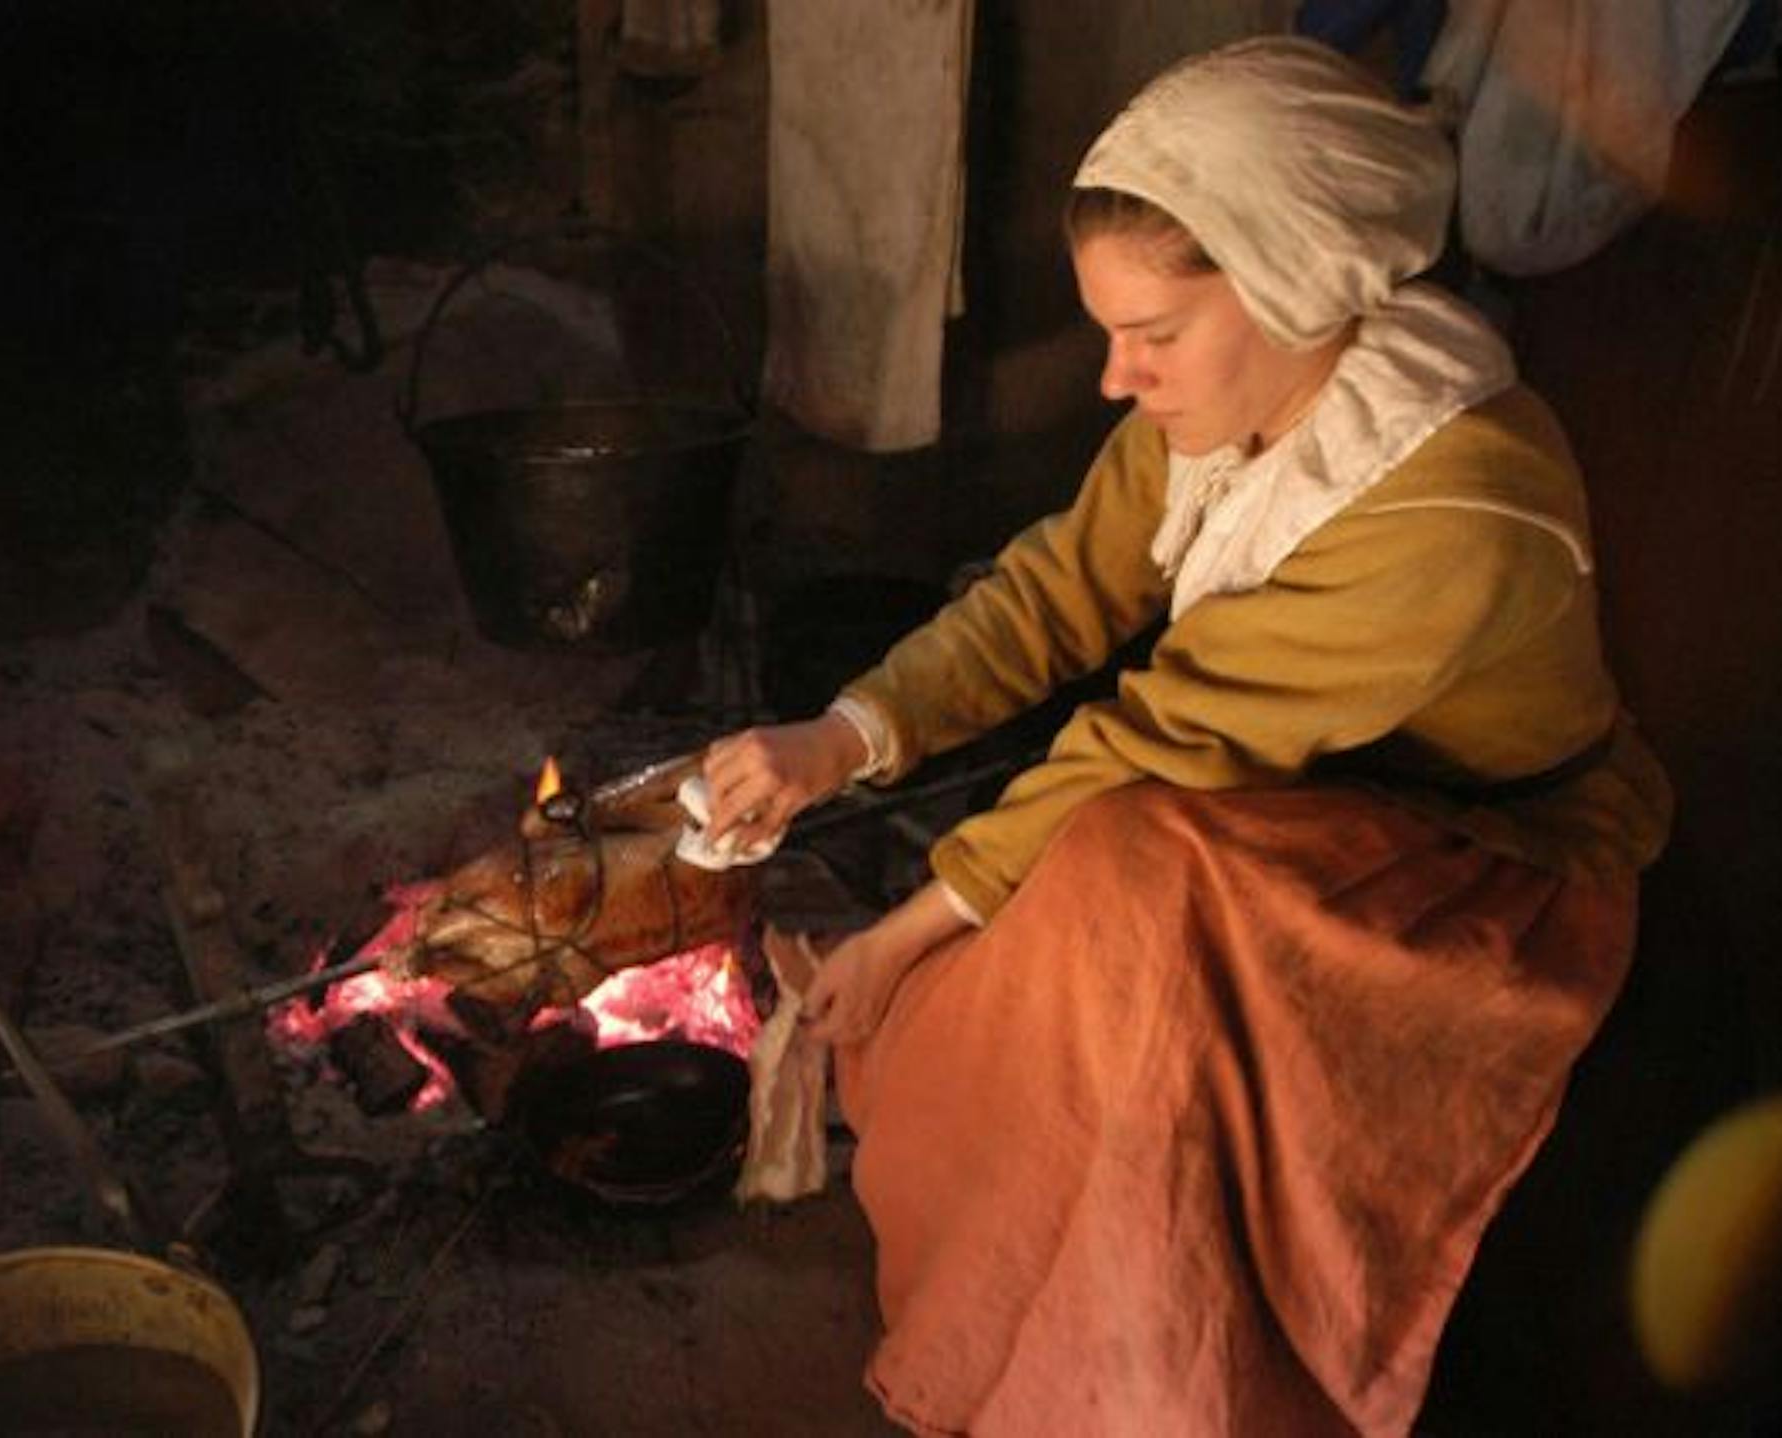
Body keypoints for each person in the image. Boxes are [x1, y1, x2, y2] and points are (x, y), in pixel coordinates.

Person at [700, 35, 1673, 1437]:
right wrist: (843, 736)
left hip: (1487, 859)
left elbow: (1162, 740)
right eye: (1111, 332)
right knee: (1089, 893)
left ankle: (1146, 1367)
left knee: (1118, 882)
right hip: (1276, 800)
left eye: (1151, 335)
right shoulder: (1239, 396)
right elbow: (1061, 587)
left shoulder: (1461, 504)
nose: (1115, 378)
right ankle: (1029, 1292)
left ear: (1297, 285)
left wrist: (907, 929)